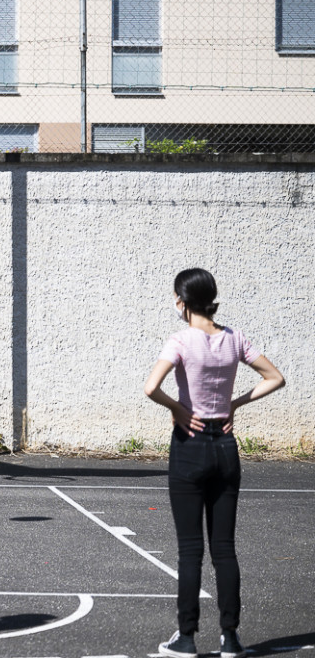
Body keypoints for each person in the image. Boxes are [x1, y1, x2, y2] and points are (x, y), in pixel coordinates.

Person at [144, 268, 284, 658]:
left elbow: (150, 387)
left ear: (183, 302)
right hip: (224, 445)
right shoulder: (234, 338)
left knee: (190, 550)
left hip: (189, 444)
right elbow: (275, 377)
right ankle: (231, 637)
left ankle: (186, 637)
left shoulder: (181, 339)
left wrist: (176, 408)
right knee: (224, 548)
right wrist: (235, 403)